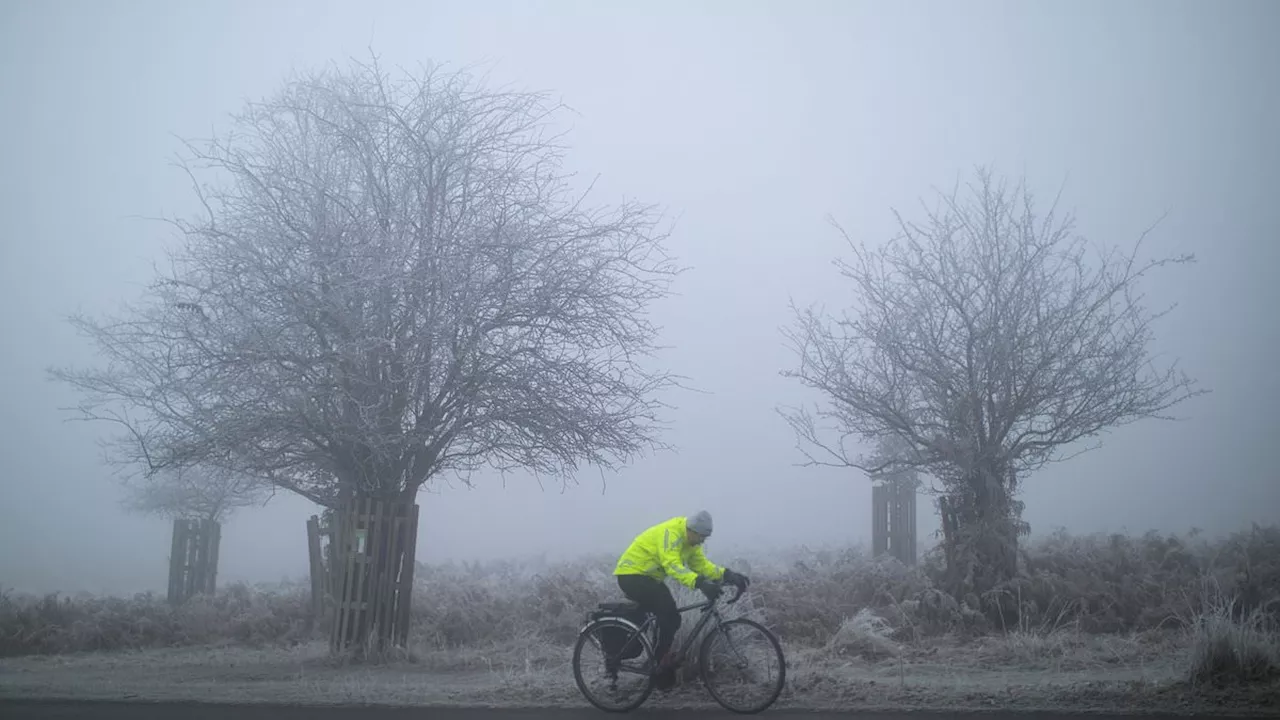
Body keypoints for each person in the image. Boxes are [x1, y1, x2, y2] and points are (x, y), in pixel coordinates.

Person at [612, 510, 750, 687]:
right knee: (668, 612)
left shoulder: (692, 544)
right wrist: (700, 583)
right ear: (691, 530)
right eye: (701, 536)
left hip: (649, 578)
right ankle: (657, 665)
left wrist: (728, 575)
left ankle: (658, 664)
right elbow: (672, 566)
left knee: (672, 618)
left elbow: (702, 565)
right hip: (631, 576)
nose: (702, 541)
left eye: (706, 538)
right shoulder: (671, 533)